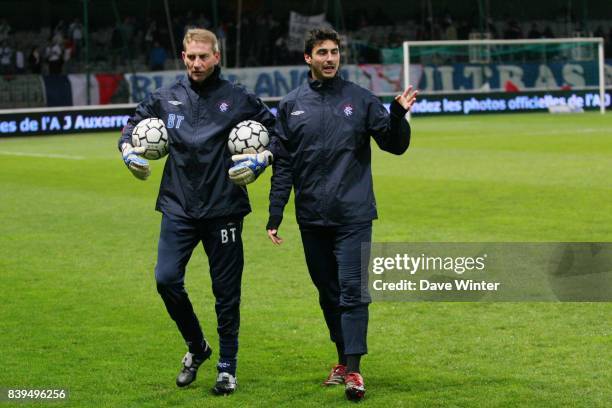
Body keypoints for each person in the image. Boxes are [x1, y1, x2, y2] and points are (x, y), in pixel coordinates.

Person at [117, 28, 275, 395]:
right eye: (190, 57)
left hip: (224, 207)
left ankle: (227, 367)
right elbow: (131, 126)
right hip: (179, 206)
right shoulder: (165, 97)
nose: (196, 63)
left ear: (217, 57)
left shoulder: (238, 98)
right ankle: (197, 346)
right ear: (183, 56)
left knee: (226, 292)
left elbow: (276, 130)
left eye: (204, 56)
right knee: (166, 279)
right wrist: (127, 150)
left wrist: (261, 159)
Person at [266, 27, 417, 401]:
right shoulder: (291, 105)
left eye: (334, 52)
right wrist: (274, 213)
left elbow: (394, 145)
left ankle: (354, 370)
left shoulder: (361, 99)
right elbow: (283, 165)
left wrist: (397, 114)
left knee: (353, 293)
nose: (330, 58)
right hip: (312, 217)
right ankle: (341, 359)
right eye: (322, 53)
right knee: (328, 293)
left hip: (353, 215)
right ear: (308, 58)